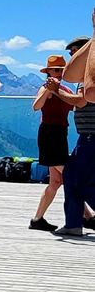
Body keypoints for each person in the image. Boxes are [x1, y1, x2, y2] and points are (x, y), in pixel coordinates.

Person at [29, 55, 84, 231]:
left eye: (62, 70)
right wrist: (48, 90)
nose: (59, 73)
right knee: (69, 174)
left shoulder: (66, 90)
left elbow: (78, 104)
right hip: (48, 134)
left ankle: (37, 219)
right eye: (56, 70)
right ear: (48, 72)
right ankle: (88, 215)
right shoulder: (45, 88)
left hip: (61, 133)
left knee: (55, 182)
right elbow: (36, 106)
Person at [57, 15, 95, 236]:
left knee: (83, 181)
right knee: (70, 176)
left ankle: (74, 223)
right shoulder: (84, 76)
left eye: (75, 52)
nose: (72, 56)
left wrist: (56, 91)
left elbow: (82, 99)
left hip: (92, 135)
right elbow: (68, 73)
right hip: (85, 135)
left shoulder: (90, 75)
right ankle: (73, 223)